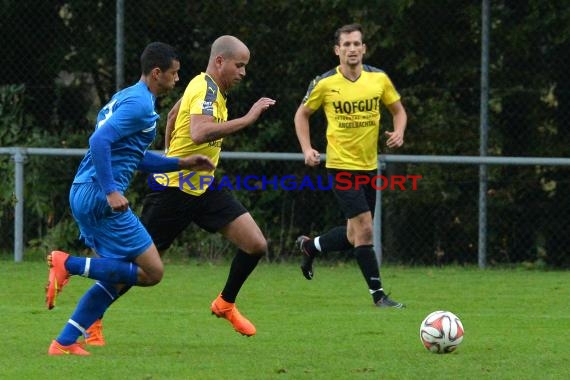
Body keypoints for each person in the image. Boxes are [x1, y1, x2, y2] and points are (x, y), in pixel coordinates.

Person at [86, 35, 276, 341]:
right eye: (239, 66)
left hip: (203, 187)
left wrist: (170, 154)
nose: (243, 72)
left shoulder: (207, 89)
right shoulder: (204, 87)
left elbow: (174, 115)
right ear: (220, 61)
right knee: (139, 266)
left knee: (255, 244)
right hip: (172, 193)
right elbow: (199, 132)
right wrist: (249, 118)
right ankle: (90, 315)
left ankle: (225, 303)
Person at [45, 41, 215, 356]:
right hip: (99, 194)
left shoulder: (125, 97)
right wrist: (111, 190)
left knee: (116, 275)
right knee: (152, 272)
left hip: (82, 191)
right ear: (156, 73)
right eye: (174, 74)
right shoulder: (140, 105)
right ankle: (66, 263)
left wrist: (181, 162)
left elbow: (134, 157)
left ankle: (64, 342)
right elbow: (98, 141)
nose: (177, 80)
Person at [294, 23, 407, 308]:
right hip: (341, 166)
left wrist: (399, 131)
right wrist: (307, 149)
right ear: (337, 51)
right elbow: (301, 115)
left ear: (364, 48)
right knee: (366, 229)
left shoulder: (378, 79)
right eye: (346, 45)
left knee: (353, 235)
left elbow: (398, 110)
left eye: (357, 44)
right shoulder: (325, 83)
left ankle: (310, 246)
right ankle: (378, 296)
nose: (352, 49)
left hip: (369, 166)